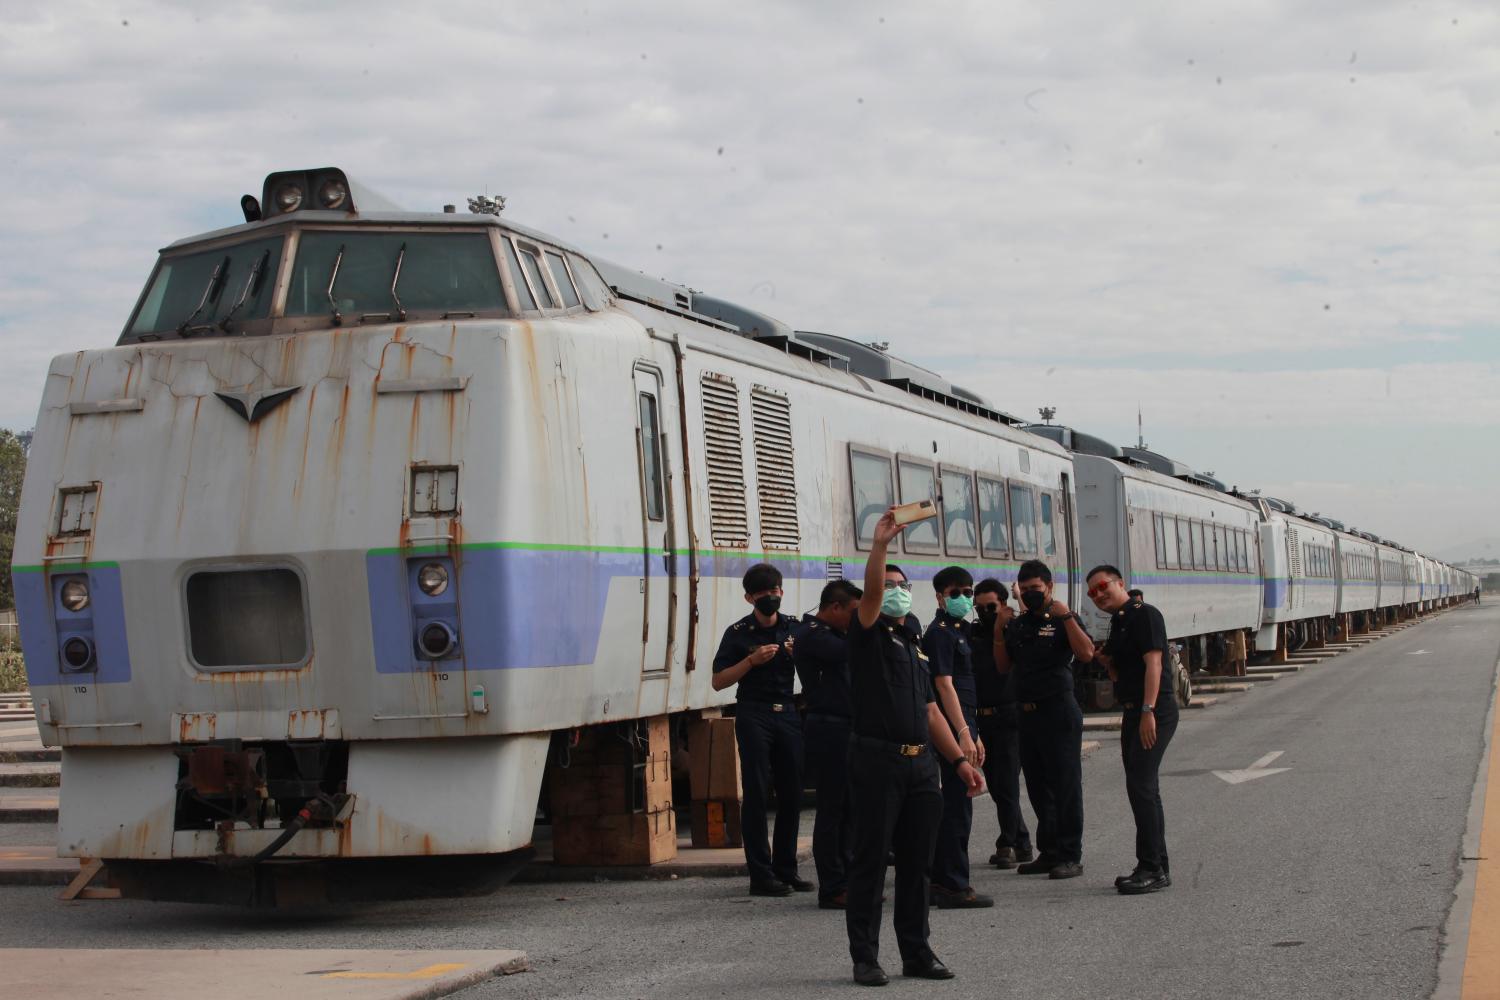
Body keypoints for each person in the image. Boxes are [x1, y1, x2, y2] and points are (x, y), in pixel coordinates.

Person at [845, 509, 985, 987]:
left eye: (902, 583)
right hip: (876, 761)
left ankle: (917, 952)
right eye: (888, 585)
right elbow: (868, 597)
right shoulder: (865, 633)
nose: (896, 590)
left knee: (917, 865)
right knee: (868, 863)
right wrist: (880, 546)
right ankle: (865, 957)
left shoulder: (914, 641)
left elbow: (930, 711)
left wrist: (960, 761)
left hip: (921, 765)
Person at [993, 560, 1094, 880]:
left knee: (1065, 785)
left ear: (1049, 587)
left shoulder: (1063, 618)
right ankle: (1048, 852)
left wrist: (1066, 616)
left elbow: (1087, 653)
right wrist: (999, 631)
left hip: (1058, 711)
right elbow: (1003, 667)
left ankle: (1070, 854)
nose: (1030, 595)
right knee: (1037, 787)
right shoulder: (1020, 625)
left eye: (1035, 589)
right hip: (1027, 713)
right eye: (1024, 590)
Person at [712, 563, 808, 897]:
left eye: (776, 591)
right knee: (756, 792)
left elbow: (820, 661)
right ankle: (761, 875)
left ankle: (787, 869)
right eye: (764, 593)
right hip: (754, 713)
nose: (772, 597)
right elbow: (718, 680)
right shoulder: (738, 633)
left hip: (788, 712)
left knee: (792, 792)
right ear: (749, 597)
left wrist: (803, 656)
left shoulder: (794, 628)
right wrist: (750, 662)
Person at [1087, 564, 1177, 895]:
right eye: (1092, 593)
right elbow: (1121, 674)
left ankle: (1152, 867)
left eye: (1102, 587)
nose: (1098, 595)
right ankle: (1154, 865)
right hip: (1133, 711)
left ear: (1120, 583)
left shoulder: (1145, 614)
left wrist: (1148, 711)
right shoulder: (1120, 621)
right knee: (1140, 787)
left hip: (1152, 710)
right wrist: (1109, 664)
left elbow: (1155, 663)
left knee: (1142, 785)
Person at [922, 566, 992, 908]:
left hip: (963, 724)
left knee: (956, 805)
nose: (964, 598)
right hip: (952, 728)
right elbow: (943, 685)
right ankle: (952, 884)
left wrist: (972, 731)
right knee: (956, 808)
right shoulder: (940, 634)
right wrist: (963, 733)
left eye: (968, 592)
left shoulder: (959, 630)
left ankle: (945, 879)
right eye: (955, 593)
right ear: (939, 596)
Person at [794, 578, 863, 909]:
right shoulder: (813, 634)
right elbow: (849, 652)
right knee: (833, 810)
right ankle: (833, 885)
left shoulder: (836, 633)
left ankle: (849, 879)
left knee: (851, 808)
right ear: (834, 607)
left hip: (848, 728)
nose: (856, 619)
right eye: (852, 612)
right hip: (829, 728)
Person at [971, 578, 1033, 869]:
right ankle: (1018, 840)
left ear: (1004, 606)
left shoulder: (1013, 632)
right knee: (996, 784)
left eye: (991, 607)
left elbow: (1030, 624)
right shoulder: (970, 634)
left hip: (1009, 716)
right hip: (982, 718)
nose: (985, 612)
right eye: (980, 607)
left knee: (1006, 782)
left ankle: (1011, 842)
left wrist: (1020, 599)